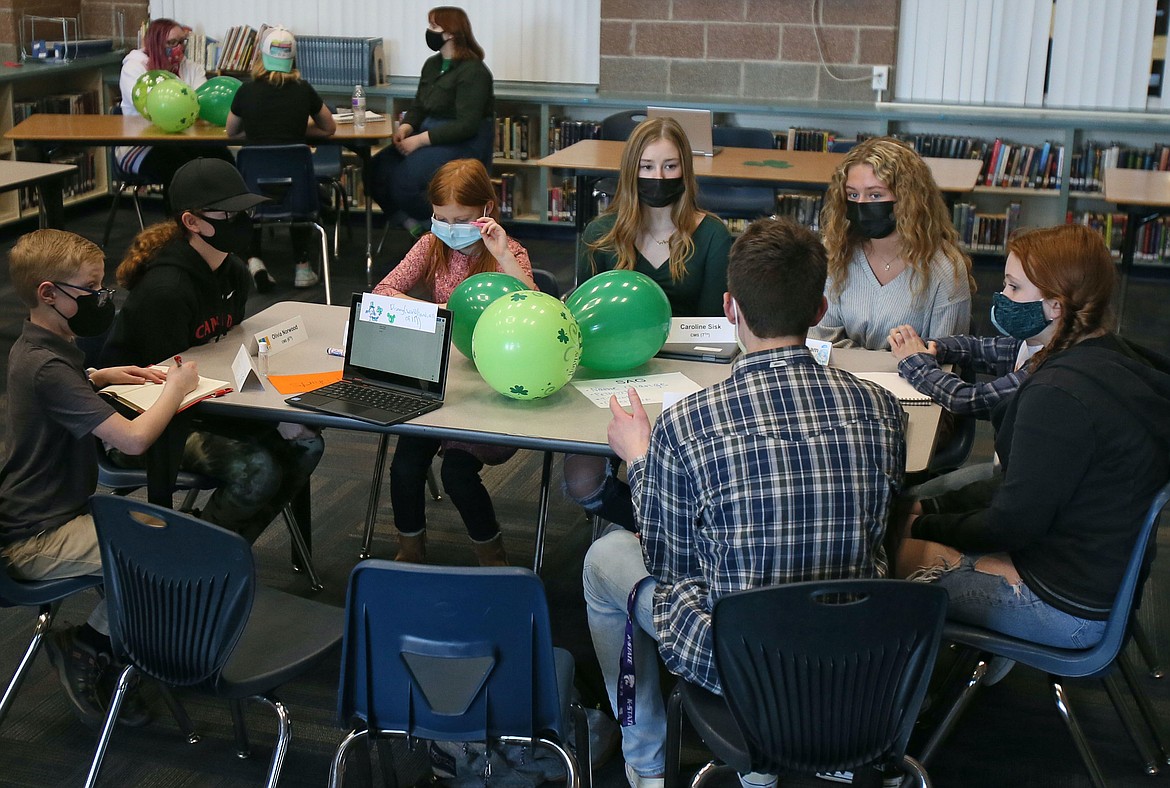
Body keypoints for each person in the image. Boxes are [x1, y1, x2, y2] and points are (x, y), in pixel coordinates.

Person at [583, 217, 905, 788]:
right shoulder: (882, 408)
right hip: (855, 659)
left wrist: (639, 462)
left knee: (606, 558)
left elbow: (670, 564)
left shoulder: (688, 424)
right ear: (819, 309)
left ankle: (646, 764)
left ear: (731, 308)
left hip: (742, 663)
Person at [896, 224, 1170, 651]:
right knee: (911, 510)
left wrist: (926, 523)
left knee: (881, 556)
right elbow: (1028, 486)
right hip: (1100, 579)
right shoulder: (1105, 352)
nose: (1000, 296)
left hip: (1066, 608)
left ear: (1055, 306)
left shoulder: (1056, 394)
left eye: (1012, 287)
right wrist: (928, 508)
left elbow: (1011, 522)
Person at [0, 229, 200, 725]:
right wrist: (176, 388)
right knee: (166, 552)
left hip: (52, 511)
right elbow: (131, 441)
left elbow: (60, 387)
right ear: (50, 293)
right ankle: (87, 646)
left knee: (157, 533)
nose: (101, 300)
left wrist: (103, 376)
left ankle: (125, 638)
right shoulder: (48, 364)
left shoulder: (39, 344)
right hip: (32, 537)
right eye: (90, 292)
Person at [99, 158, 325, 544]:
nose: (242, 220)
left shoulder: (233, 272)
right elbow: (169, 391)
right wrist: (269, 420)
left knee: (306, 442)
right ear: (192, 222)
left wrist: (274, 414)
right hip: (144, 422)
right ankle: (194, 555)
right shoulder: (166, 291)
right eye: (229, 213)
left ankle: (223, 544)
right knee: (259, 469)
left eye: (246, 210)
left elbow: (223, 356)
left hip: (203, 402)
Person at [566, 116, 733, 530]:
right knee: (580, 481)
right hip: (611, 380)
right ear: (630, 171)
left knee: (683, 472)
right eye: (646, 167)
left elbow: (715, 329)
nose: (658, 177)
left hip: (687, 382)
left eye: (670, 166)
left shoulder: (713, 235)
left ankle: (676, 530)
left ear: (685, 171)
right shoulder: (600, 234)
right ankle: (657, 526)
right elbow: (581, 324)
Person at [372, 158, 534, 565]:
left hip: (488, 381)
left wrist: (504, 256)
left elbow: (538, 308)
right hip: (439, 377)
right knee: (406, 466)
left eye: (461, 219)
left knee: (457, 475)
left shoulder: (508, 251)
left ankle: (490, 553)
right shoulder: (432, 244)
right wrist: (443, 311)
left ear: (486, 211)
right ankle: (410, 548)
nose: (449, 227)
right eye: (440, 217)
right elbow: (382, 291)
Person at [810, 136, 974, 349]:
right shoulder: (836, 253)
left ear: (908, 200)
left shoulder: (945, 270)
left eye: (875, 195)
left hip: (913, 380)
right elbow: (822, 340)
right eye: (852, 194)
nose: (860, 204)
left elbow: (946, 354)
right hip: (844, 378)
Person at [227, 25, 337, 291]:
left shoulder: (246, 91)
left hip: (255, 192)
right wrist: (298, 129)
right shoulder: (303, 90)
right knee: (302, 192)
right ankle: (302, 267)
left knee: (248, 198)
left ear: (262, 56)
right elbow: (328, 127)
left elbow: (232, 131)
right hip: (297, 189)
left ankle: (255, 262)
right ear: (293, 59)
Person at [368, 6, 494, 237]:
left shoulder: (474, 71)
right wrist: (406, 126)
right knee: (375, 170)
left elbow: (467, 125)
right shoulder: (432, 65)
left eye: (434, 26)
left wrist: (420, 141)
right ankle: (411, 224)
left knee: (403, 182)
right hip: (428, 136)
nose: (429, 31)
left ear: (451, 34)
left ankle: (441, 229)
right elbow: (419, 106)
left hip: (461, 143)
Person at [116, 18, 232, 207]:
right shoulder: (135, 68)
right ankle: (179, 227)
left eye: (182, 41)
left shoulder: (191, 67)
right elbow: (149, 109)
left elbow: (200, 104)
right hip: (140, 145)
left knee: (221, 157)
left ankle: (224, 218)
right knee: (181, 168)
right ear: (156, 44)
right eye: (172, 43)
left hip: (186, 139)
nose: (180, 47)